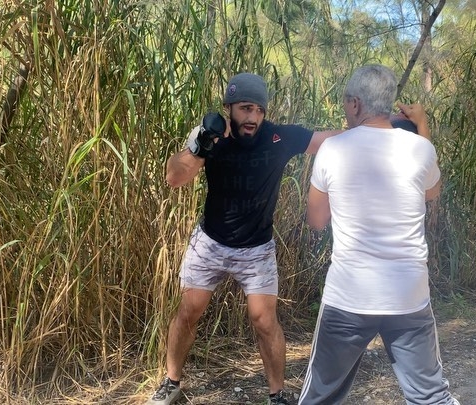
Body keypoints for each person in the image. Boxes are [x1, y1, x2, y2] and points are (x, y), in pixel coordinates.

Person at [147, 73, 341, 405]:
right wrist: (201, 143)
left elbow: (330, 139)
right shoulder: (212, 135)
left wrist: (380, 125)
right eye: (245, 108)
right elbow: (174, 177)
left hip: (256, 248)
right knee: (189, 310)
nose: (252, 117)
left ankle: (277, 395)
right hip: (210, 242)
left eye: (258, 110)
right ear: (230, 108)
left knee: (264, 320)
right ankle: (171, 382)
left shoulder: (279, 136)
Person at [299, 64, 460, 405]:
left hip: (349, 296)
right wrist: (422, 125)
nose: (345, 109)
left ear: (355, 104)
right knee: (431, 396)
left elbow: (316, 220)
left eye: (345, 103)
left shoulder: (333, 149)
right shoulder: (420, 148)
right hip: (408, 295)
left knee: (320, 397)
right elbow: (431, 193)